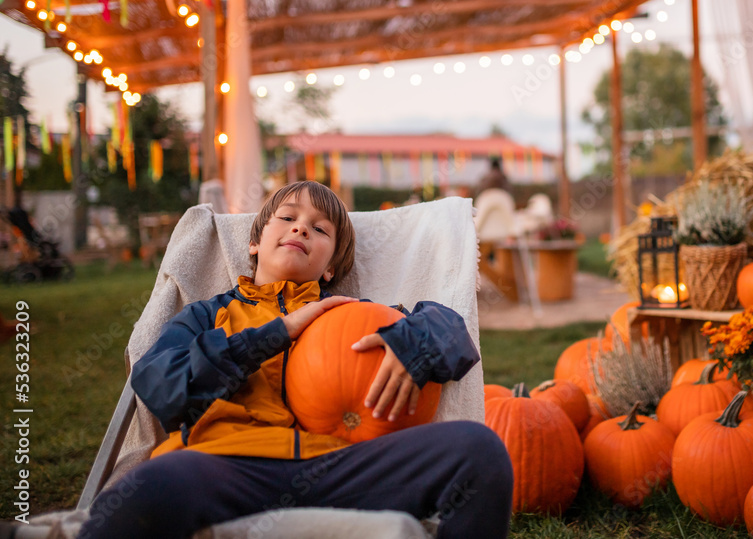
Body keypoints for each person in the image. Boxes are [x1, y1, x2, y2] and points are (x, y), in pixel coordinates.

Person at [78, 181, 513, 539]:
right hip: (225, 463)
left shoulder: (351, 313)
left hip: (338, 467)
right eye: (287, 219)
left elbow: (450, 331)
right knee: (147, 488)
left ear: (330, 268)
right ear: (253, 243)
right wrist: (274, 334)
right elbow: (157, 384)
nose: (301, 229)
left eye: (320, 229)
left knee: (479, 452)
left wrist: (414, 349)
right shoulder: (210, 315)